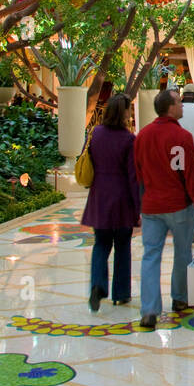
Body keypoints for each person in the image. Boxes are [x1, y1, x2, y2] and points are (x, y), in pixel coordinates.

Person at [134, 88, 194, 331]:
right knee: (182, 253)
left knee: (150, 255)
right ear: (169, 107)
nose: (182, 106)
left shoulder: (142, 136)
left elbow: (137, 174)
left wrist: (139, 203)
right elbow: (192, 176)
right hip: (179, 206)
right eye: (178, 102)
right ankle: (179, 298)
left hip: (152, 206)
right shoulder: (182, 137)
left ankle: (149, 311)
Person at [81, 93, 141, 312]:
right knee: (122, 245)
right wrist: (138, 207)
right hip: (122, 198)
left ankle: (97, 285)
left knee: (101, 244)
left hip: (100, 196)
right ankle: (121, 293)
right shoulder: (128, 139)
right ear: (123, 112)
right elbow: (133, 176)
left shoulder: (96, 134)